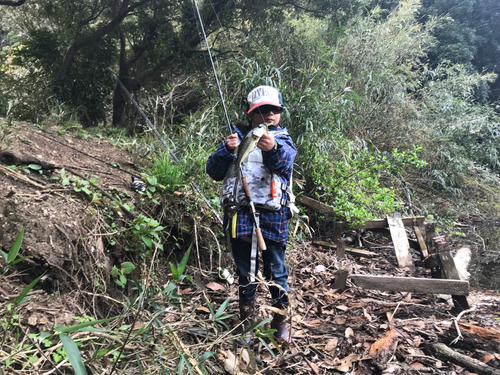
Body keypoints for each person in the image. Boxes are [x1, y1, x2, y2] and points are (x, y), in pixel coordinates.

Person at [206, 85, 297, 343]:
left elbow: (284, 163)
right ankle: (247, 323)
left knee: (276, 271)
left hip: (273, 216)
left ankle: (281, 322)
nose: (269, 114)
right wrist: (226, 150)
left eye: (274, 110)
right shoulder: (236, 138)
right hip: (239, 214)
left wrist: (272, 149)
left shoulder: (284, 140)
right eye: (262, 110)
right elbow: (213, 171)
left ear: (280, 114)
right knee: (245, 271)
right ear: (250, 115)